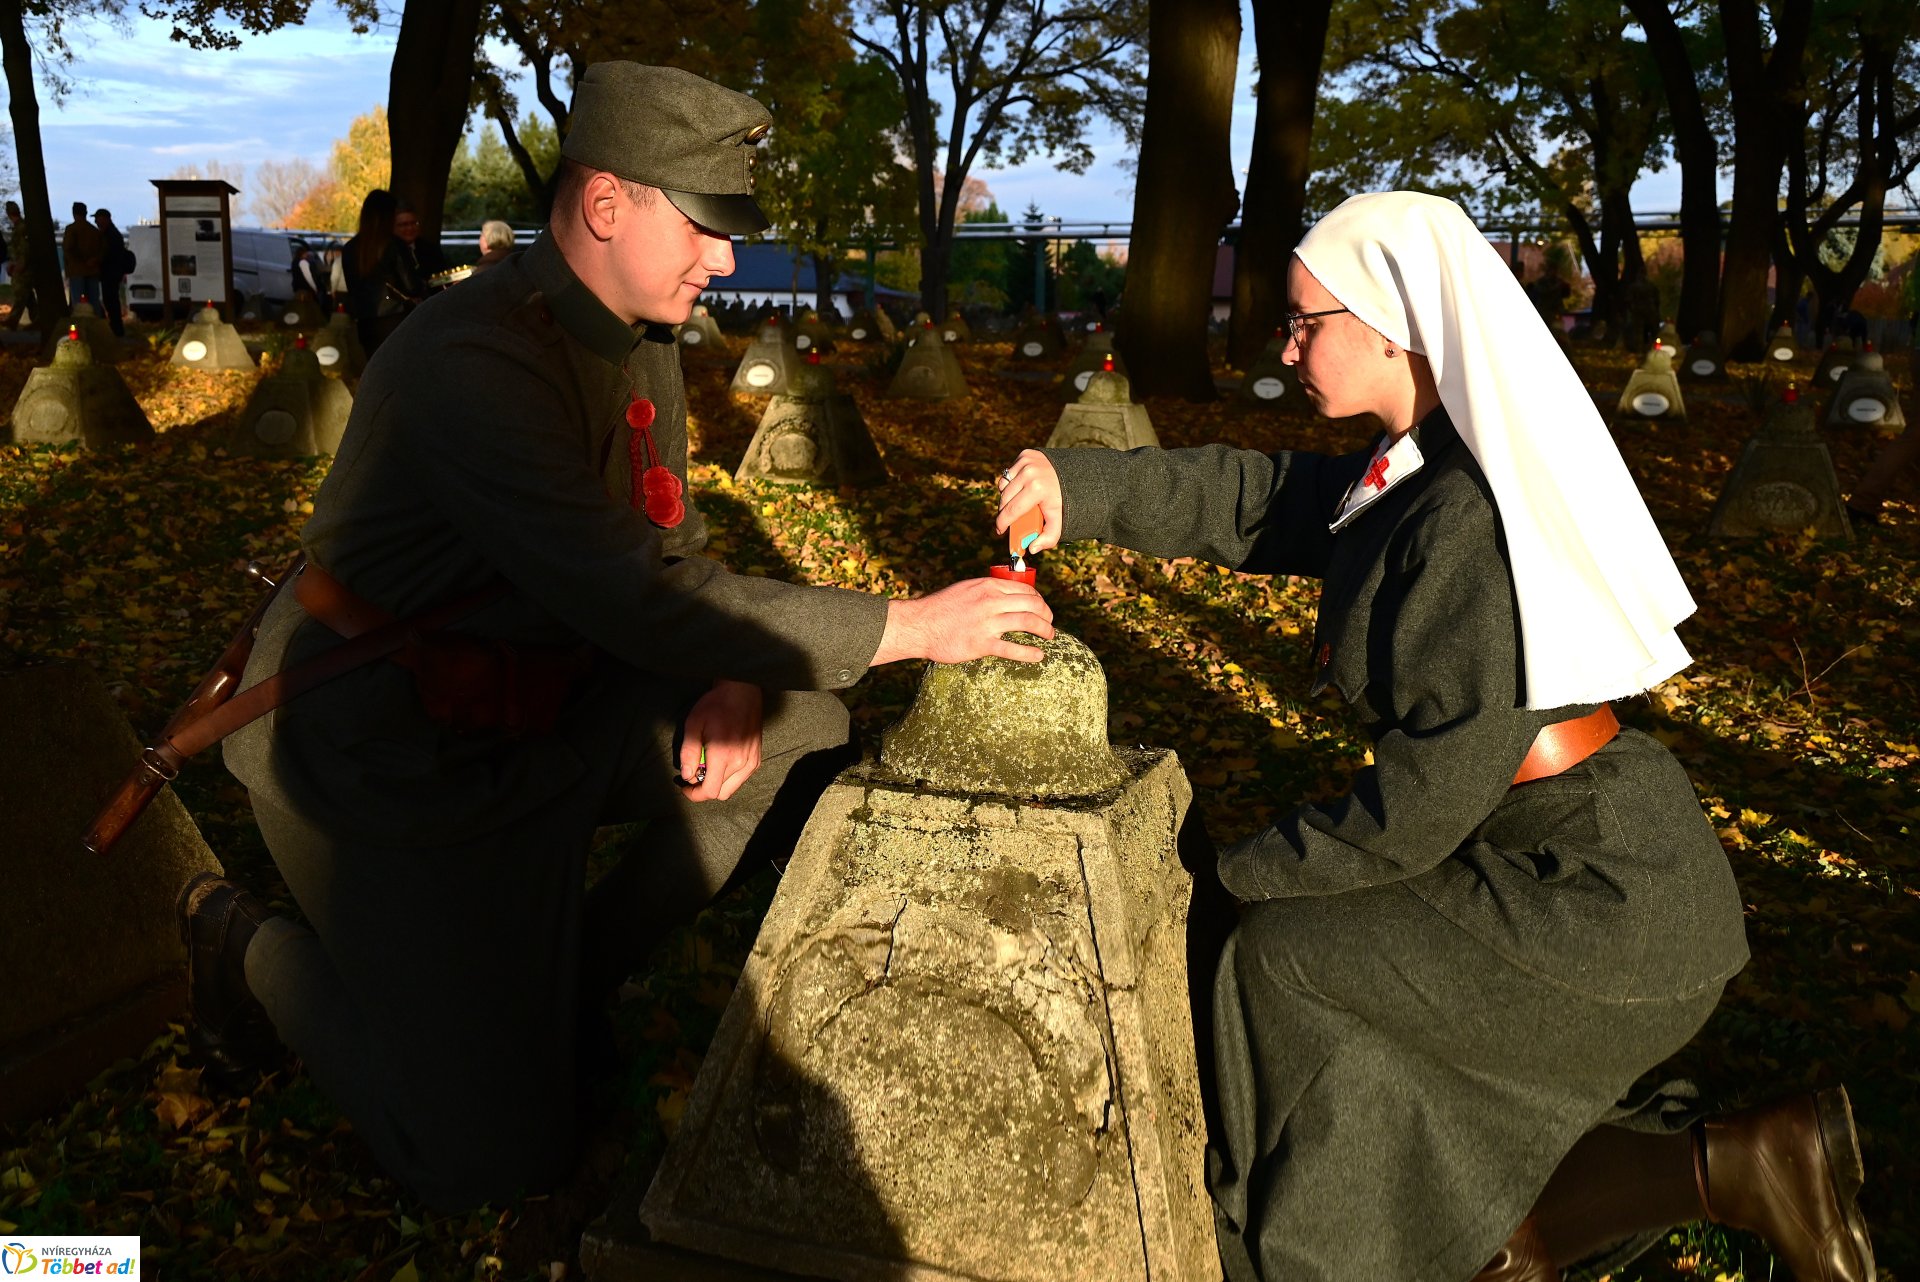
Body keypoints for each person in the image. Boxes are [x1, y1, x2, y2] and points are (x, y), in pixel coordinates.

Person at [179, 61, 1054, 1213]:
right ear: (605, 207)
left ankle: (549, 992)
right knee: (491, 1158)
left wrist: (730, 671)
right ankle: (237, 940)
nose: (727, 259)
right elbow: (633, 586)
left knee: (802, 722)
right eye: (706, 228)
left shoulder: (631, 335)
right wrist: (913, 625)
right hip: (380, 758)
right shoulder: (476, 361)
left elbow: (666, 542)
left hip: (530, 710)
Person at [995, 191, 1874, 1282]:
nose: (1289, 341)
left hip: (1592, 897)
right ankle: (1736, 1165)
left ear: (1395, 327)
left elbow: (1414, 812)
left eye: (1310, 321)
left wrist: (1221, 876)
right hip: (1546, 856)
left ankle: (1298, 1254)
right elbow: (1255, 497)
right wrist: (1076, 487)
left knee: (1284, 959)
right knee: (1352, 999)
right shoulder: (1416, 469)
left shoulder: (1465, 518)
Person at [338, 189, 425, 354]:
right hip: (396, 319)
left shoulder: (350, 248)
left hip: (366, 323)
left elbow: (352, 287)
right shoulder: (394, 245)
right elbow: (411, 285)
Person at [61, 200, 104, 311]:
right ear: (85, 213)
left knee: (79, 304)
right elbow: (103, 250)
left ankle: (80, 326)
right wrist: (94, 260)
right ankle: (95, 326)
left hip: (76, 271)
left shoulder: (71, 229)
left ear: (73, 213)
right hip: (93, 270)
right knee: (94, 302)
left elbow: (68, 248)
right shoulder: (94, 231)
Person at [93, 208, 129, 337]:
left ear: (105, 219)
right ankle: (116, 328)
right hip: (112, 273)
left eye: (97, 218)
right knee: (111, 301)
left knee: (111, 301)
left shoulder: (110, 235)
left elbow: (108, 255)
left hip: (110, 274)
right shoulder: (113, 233)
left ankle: (116, 329)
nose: (96, 221)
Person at [393, 200, 449, 282]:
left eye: (413, 223)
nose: (410, 228)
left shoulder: (431, 250)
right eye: (404, 225)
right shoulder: (389, 254)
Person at [2, 201, 34, 331]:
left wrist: (19, 265)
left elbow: (24, 249)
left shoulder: (21, 228)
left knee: (20, 293)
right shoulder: (19, 227)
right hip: (20, 265)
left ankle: (13, 320)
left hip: (23, 268)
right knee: (28, 297)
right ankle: (37, 318)